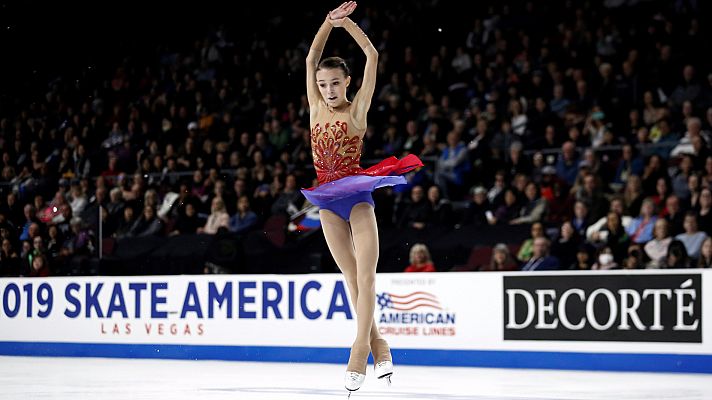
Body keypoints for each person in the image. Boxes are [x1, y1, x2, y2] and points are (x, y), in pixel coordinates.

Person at [299, 2, 422, 393]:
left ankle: (358, 350)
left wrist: (345, 24)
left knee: (366, 277)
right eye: (323, 84)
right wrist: (326, 22)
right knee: (349, 278)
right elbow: (310, 58)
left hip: (356, 196)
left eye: (335, 83)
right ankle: (380, 345)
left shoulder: (357, 112)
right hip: (326, 200)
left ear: (347, 82)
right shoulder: (316, 108)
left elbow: (372, 54)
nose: (328, 90)